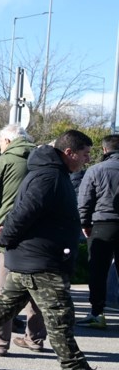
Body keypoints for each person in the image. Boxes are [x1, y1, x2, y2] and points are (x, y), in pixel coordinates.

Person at [0, 131, 117, 370]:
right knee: (60, 315)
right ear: (69, 152)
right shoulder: (49, 176)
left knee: (3, 308)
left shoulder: (53, 172)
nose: (87, 159)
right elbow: (24, 210)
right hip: (40, 258)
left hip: (34, 255)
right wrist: (6, 237)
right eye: (84, 154)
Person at [0, 123, 44, 354]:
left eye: (0, 143)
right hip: (37, 235)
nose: (0, 147)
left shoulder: (3, 161)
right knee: (35, 290)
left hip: (6, 231)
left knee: (1, 290)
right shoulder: (43, 160)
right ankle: (35, 339)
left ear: (8, 142)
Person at [77, 134, 119, 329]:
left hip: (102, 224)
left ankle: (97, 313)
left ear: (104, 150)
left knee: (98, 270)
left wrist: (85, 224)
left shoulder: (95, 170)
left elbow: (84, 200)